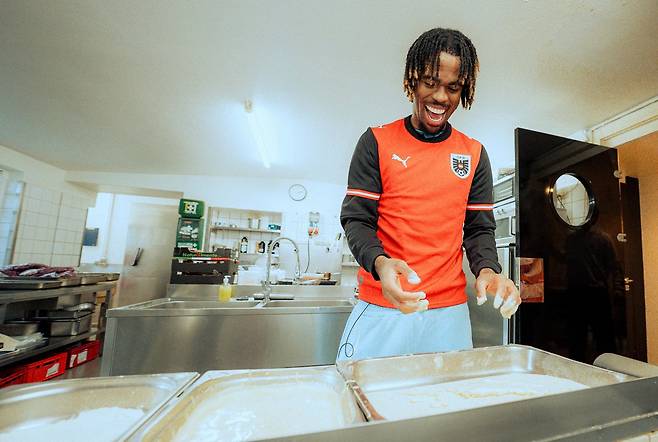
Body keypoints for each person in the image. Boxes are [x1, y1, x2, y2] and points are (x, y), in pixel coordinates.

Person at [337, 27, 521, 361]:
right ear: (411, 80)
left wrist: (488, 270)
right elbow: (356, 220)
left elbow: (479, 228)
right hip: (383, 306)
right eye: (430, 82)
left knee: (449, 394)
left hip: (449, 317)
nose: (440, 97)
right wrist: (380, 263)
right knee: (363, 395)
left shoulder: (474, 154)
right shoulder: (376, 141)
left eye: (453, 87)